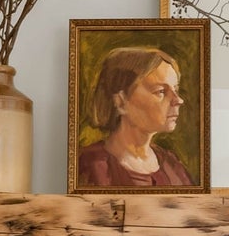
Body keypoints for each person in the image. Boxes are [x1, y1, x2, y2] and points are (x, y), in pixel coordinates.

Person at [77, 46, 194, 188]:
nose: (178, 100)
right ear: (120, 101)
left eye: (175, 90)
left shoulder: (172, 165)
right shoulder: (88, 166)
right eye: (161, 91)